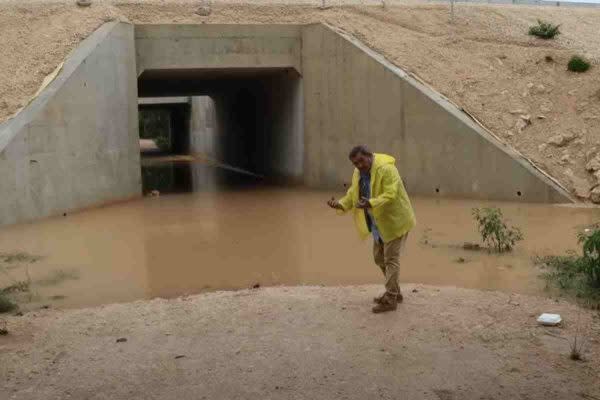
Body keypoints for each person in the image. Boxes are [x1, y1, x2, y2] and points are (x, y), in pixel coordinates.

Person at [327, 145, 416, 313]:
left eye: (361, 161)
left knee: (390, 259)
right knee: (379, 258)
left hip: (395, 221)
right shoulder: (358, 173)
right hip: (377, 222)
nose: (359, 165)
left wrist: (370, 203)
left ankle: (391, 298)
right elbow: (354, 192)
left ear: (370, 156)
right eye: (355, 163)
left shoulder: (387, 169)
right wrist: (340, 204)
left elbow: (391, 194)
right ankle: (395, 292)